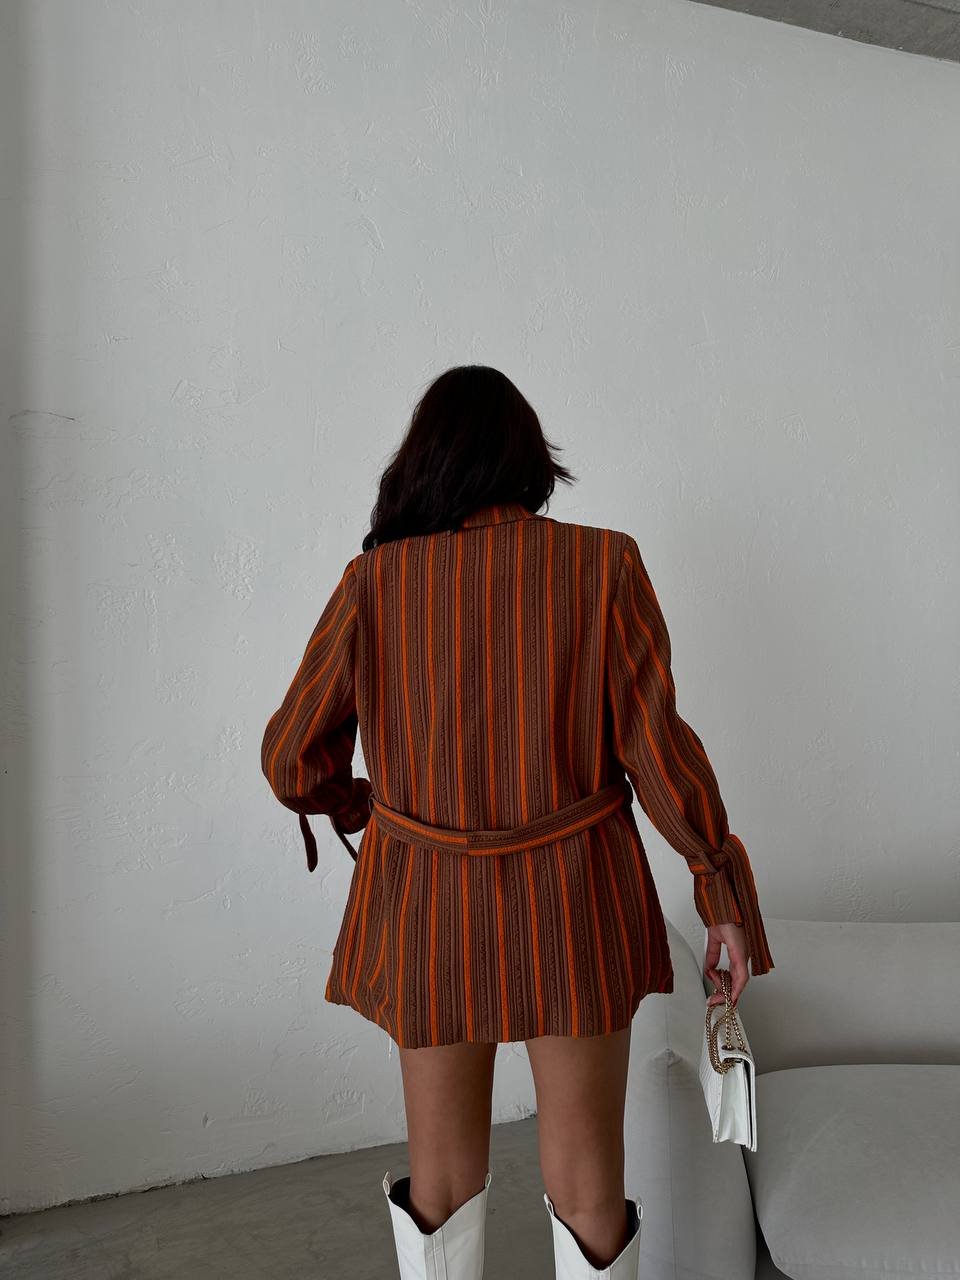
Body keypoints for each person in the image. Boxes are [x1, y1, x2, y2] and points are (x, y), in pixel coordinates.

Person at [260, 365, 775, 1280]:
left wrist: (364, 808)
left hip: (428, 904)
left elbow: (290, 754)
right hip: (574, 900)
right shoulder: (604, 565)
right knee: (588, 1184)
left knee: (441, 1179)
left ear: (423, 464)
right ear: (530, 460)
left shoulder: (374, 583)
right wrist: (719, 886)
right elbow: (658, 750)